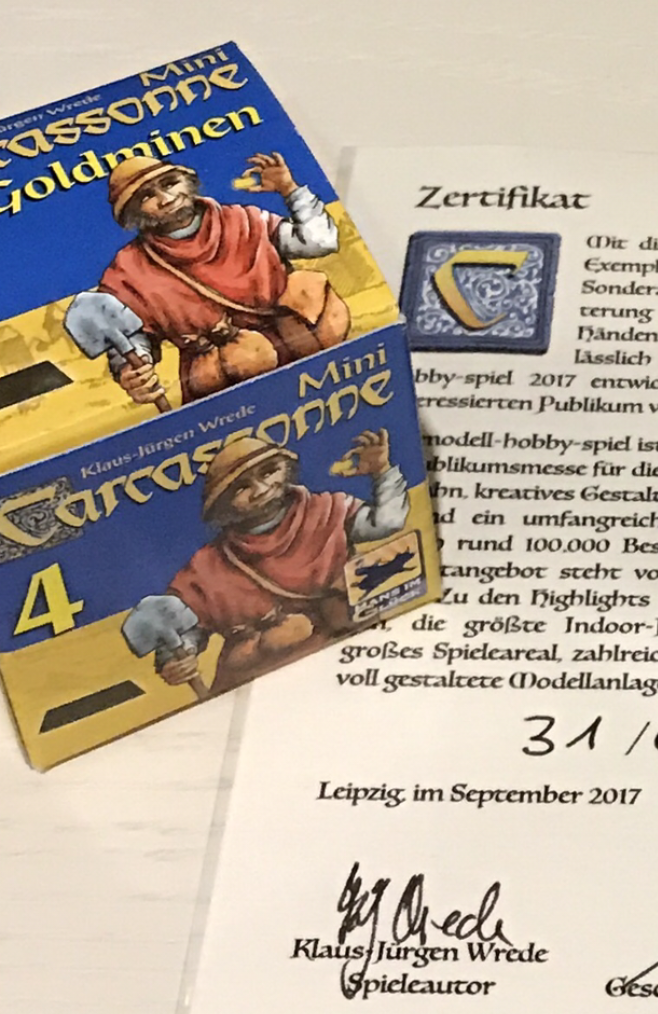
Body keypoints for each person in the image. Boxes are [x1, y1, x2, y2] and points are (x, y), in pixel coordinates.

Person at [121, 430, 410, 695]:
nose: (260, 489)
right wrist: (178, 660)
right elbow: (184, 631)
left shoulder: (327, 511)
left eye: (269, 472)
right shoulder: (209, 566)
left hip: (349, 660)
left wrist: (382, 472)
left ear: (286, 469)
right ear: (223, 504)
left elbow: (386, 522)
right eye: (241, 487)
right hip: (254, 688)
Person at [63, 152, 350, 408]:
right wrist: (134, 372)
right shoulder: (129, 268)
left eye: (169, 184)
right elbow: (129, 336)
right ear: (132, 213)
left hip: (304, 350)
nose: (166, 199)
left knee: (308, 289)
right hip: (227, 382)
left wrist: (290, 191)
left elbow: (321, 242)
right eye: (146, 197)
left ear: (187, 182)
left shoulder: (243, 220)